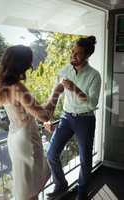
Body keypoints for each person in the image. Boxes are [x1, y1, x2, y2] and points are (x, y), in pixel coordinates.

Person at [0, 45, 64, 200]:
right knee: (31, 189)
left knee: (26, 186)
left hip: (14, 137)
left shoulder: (2, 86)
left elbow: (31, 111)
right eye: (28, 63)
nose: (30, 67)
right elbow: (45, 116)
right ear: (21, 64)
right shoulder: (18, 88)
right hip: (27, 139)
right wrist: (57, 91)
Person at [44, 36, 101, 200]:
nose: (73, 55)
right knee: (51, 153)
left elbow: (92, 103)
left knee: (85, 159)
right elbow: (57, 92)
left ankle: (82, 193)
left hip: (85, 120)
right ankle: (61, 184)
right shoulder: (66, 69)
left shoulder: (94, 76)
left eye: (77, 53)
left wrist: (75, 89)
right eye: (73, 52)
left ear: (87, 55)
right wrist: (48, 117)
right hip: (66, 118)